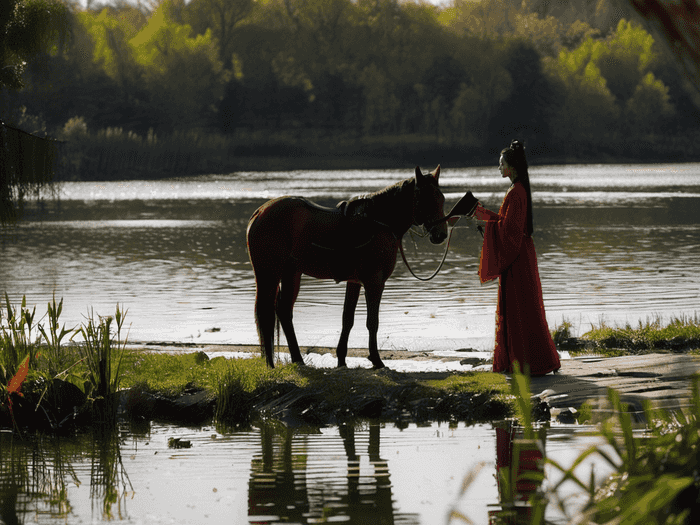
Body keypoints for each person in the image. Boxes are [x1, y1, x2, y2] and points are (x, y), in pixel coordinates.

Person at [472, 140, 560, 375]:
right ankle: (526, 360)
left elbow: (510, 231)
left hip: (517, 258)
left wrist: (488, 224)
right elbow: (508, 224)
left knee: (521, 309)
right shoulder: (517, 189)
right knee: (522, 308)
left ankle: (528, 362)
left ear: (512, 166)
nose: (499, 168)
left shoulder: (517, 191)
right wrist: (485, 216)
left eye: (501, 164)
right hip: (519, 255)